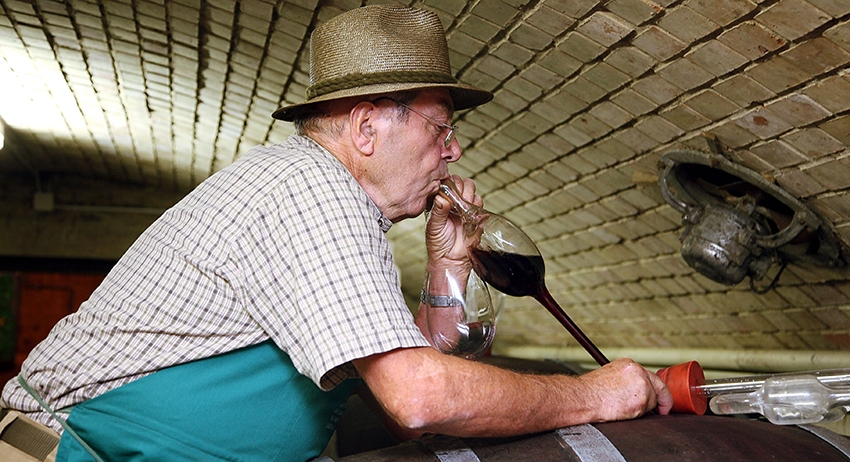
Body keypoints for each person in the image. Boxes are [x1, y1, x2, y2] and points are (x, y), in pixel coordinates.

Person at [0, 5, 672, 461]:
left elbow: (415, 377)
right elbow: (418, 398)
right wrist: (597, 393)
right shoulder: (310, 191)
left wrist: (448, 265)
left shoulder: (340, 208)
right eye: (441, 126)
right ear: (367, 127)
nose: (454, 149)